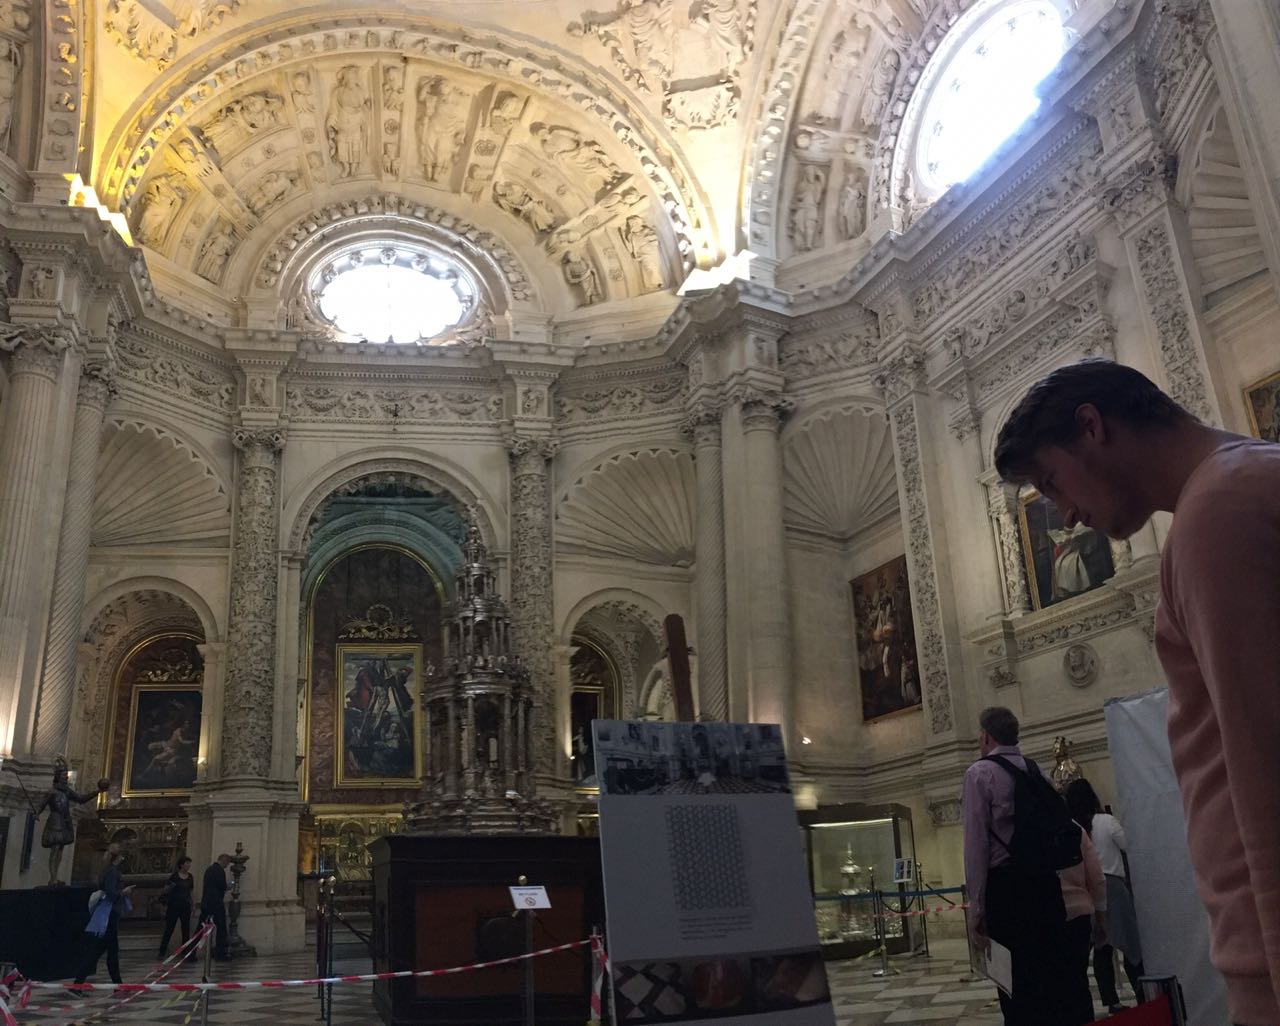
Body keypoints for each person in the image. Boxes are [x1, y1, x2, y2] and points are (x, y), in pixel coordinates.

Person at [995, 358, 1280, 1026]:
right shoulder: (1247, 477)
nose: (1065, 515)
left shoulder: (1217, 516)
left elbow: (1264, 769)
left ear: (1091, 427)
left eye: (1051, 482)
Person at [962, 706, 1070, 1026]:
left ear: (986, 736)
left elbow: (976, 845)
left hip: (1007, 889)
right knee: (1048, 979)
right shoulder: (1036, 771)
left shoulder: (979, 774)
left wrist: (976, 908)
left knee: (1015, 987)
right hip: (1045, 884)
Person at [1065, 778, 1146, 1014]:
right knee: (1130, 944)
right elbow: (1128, 844)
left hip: (1088, 890)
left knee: (1102, 947)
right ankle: (1142, 993)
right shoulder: (1106, 821)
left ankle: (1111, 1000)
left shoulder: (1072, 827)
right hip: (1113, 887)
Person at [1057, 821, 1106, 1025]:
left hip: (1046, 916)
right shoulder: (1075, 829)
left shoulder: (1028, 827)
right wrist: (1101, 916)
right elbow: (1096, 877)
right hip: (1079, 913)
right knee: (1078, 981)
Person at [75, 848, 133, 986]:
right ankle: (116, 984)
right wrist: (124, 892)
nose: (124, 859)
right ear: (118, 857)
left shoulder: (109, 870)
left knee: (101, 951)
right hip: (108, 914)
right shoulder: (112, 872)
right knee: (107, 951)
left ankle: (80, 983)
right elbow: (111, 892)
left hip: (109, 913)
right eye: (122, 857)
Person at [158, 856, 195, 960]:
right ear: (181, 865)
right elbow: (165, 889)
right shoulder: (174, 876)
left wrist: (193, 905)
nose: (189, 865)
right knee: (169, 929)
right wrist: (170, 887)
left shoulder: (190, 877)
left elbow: (191, 891)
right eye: (187, 863)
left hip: (185, 906)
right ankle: (162, 951)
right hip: (174, 906)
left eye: (189, 863)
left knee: (186, 929)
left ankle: (185, 951)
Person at [200, 853, 233, 961]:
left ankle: (190, 952)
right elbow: (222, 886)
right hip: (216, 903)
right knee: (221, 929)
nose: (227, 866)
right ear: (224, 861)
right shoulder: (219, 871)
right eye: (227, 863)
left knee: (200, 928)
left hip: (206, 903)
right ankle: (220, 954)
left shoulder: (209, 869)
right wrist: (228, 886)